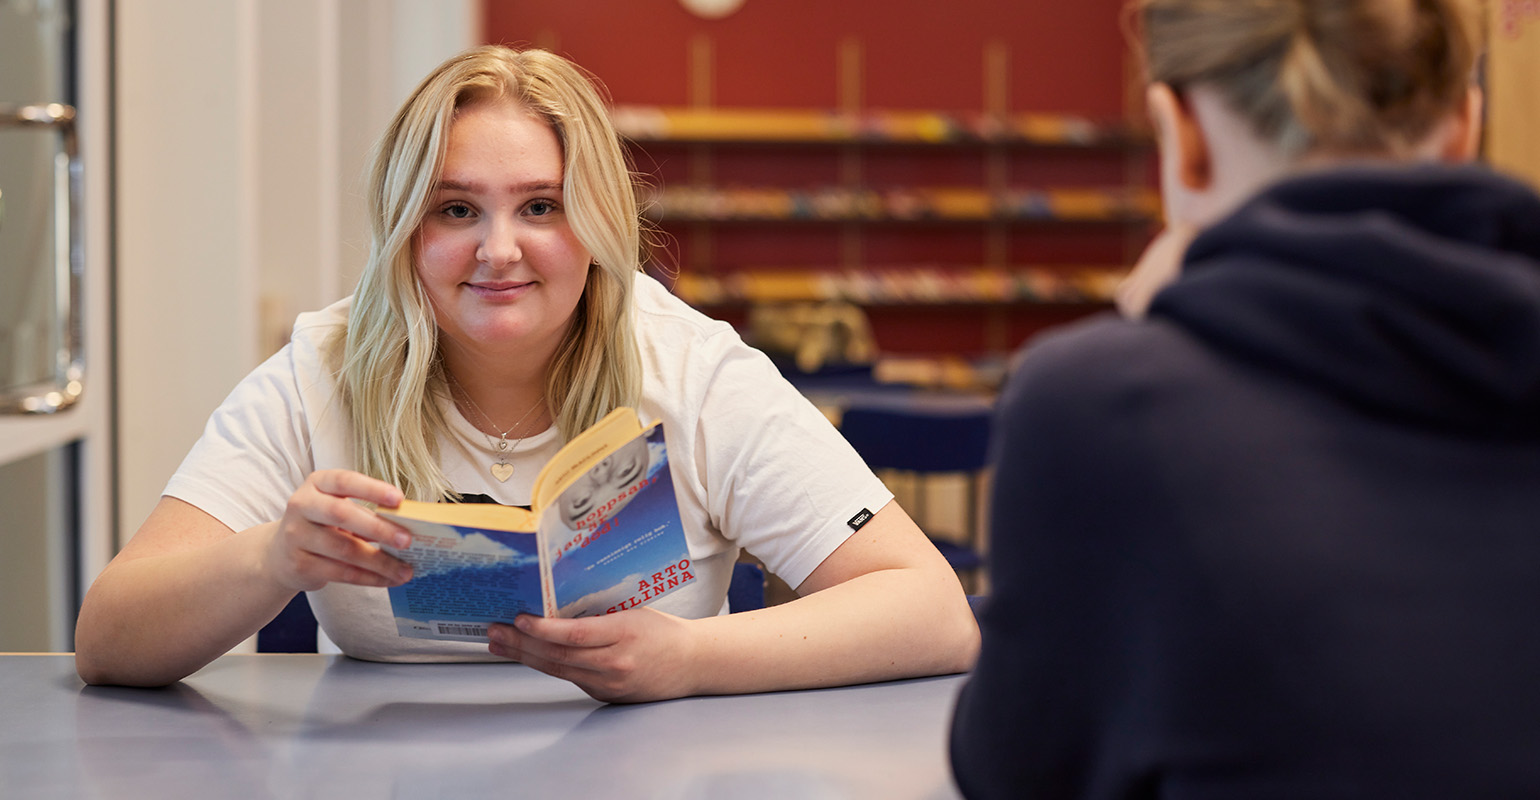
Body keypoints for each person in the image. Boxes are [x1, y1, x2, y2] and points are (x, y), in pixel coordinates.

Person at [75, 45, 979, 700]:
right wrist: (269, 557)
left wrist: (691, 660)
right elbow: (108, 638)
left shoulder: (695, 370)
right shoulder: (319, 368)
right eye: (456, 208)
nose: (498, 251)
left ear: (594, 222)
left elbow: (933, 612)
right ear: (404, 230)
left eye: (540, 206)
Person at [952, 0, 1540, 797]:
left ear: (1182, 137)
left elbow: (1015, 767)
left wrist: (1135, 326)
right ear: (1464, 128)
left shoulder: (1100, 409)